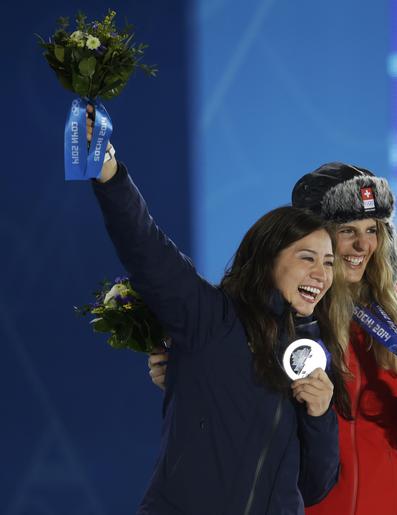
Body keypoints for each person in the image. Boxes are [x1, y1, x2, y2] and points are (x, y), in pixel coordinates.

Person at [149, 162, 397, 514]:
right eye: (347, 230)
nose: (363, 244)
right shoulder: (278, 314)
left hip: (389, 503)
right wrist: (190, 370)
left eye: (372, 229)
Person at [86, 106, 351, 514]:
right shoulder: (210, 317)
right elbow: (146, 247)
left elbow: (313, 487)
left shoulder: (310, 350)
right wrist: (109, 174)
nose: (322, 273)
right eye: (307, 258)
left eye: (329, 262)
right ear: (268, 257)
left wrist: (319, 415)